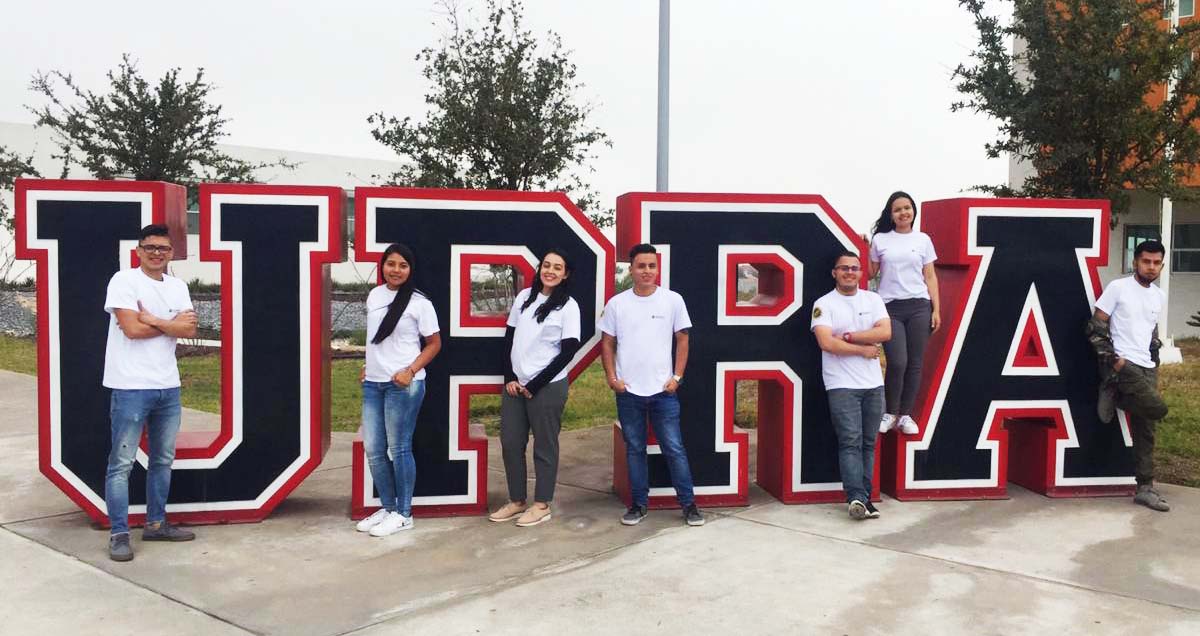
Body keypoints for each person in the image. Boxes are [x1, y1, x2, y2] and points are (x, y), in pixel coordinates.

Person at [102, 224, 198, 562]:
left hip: (167, 386)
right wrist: (166, 324)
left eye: (164, 248)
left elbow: (188, 329)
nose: (157, 253)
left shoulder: (178, 286)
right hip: (130, 386)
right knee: (121, 464)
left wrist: (152, 319)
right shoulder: (124, 281)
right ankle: (119, 533)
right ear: (139, 250)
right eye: (150, 247)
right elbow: (130, 329)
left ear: (171, 253)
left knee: (162, 460)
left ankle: (156, 523)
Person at [600, 243, 704, 527]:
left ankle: (689, 505)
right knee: (634, 449)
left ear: (658, 268)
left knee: (674, 448)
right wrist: (612, 379)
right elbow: (607, 343)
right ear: (631, 269)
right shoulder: (617, 304)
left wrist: (677, 377)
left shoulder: (672, 300)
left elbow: (683, 339)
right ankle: (639, 505)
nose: (647, 271)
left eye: (652, 266)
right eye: (641, 266)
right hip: (628, 392)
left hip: (663, 392)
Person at [488, 250, 582, 527]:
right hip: (516, 386)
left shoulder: (568, 306)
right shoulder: (523, 298)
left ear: (566, 274)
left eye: (558, 267)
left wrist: (535, 384)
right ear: (540, 268)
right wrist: (510, 377)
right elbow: (509, 339)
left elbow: (568, 351)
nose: (550, 271)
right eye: (547, 265)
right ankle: (517, 501)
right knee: (511, 443)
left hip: (547, 387)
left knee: (545, 446)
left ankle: (541, 504)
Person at [355, 243, 442, 536]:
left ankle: (404, 513)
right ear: (383, 266)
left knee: (399, 448)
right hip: (373, 383)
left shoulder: (420, 303)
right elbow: (376, 339)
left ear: (411, 269)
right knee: (374, 450)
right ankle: (389, 508)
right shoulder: (375, 295)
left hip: (403, 385)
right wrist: (369, 365)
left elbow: (434, 344)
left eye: (402, 265)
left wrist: (410, 371)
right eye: (391, 264)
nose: (396, 270)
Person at [1087, 240, 1171, 512]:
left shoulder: (1158, 295)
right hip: (1125, 365)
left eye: (1156, 262)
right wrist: (1115, 362)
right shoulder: (1118, 288)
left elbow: (1150, 330)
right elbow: (1095, 326)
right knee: (1157, 409)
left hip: (1147, 367)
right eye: (1146, 261)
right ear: (1135, 261)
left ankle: (1144, 487)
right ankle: (1113, 388)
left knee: (1147, 428)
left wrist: (1154, 354)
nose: (1151, 267)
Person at [811, 251, 892, 520]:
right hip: (841, 384)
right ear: (834, 273)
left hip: (873, 385)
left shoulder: (873, 299)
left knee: (869, 443)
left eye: (854, 268)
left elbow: (885, 332)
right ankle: (855, 497)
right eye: (843, 268)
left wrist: (848, 337)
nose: (849, 272)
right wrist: (862, 350)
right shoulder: (824, 304)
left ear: (861, 273)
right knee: (850, 442)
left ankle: (865, 501)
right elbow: (826, 342)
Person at [869, 191, 940, 436]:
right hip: (891, 308)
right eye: (897, 209)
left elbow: (930, 276)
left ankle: (906, 416)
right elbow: (869, 273)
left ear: (913, 211)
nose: (903, 213)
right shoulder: (880, 240)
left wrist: (936, 309)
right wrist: (861, 245)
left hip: (920, 306)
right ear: (891, 214)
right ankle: (890, 413)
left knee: (915, 364)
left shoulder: (923, 239)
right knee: (898, 362)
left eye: (907, 208)